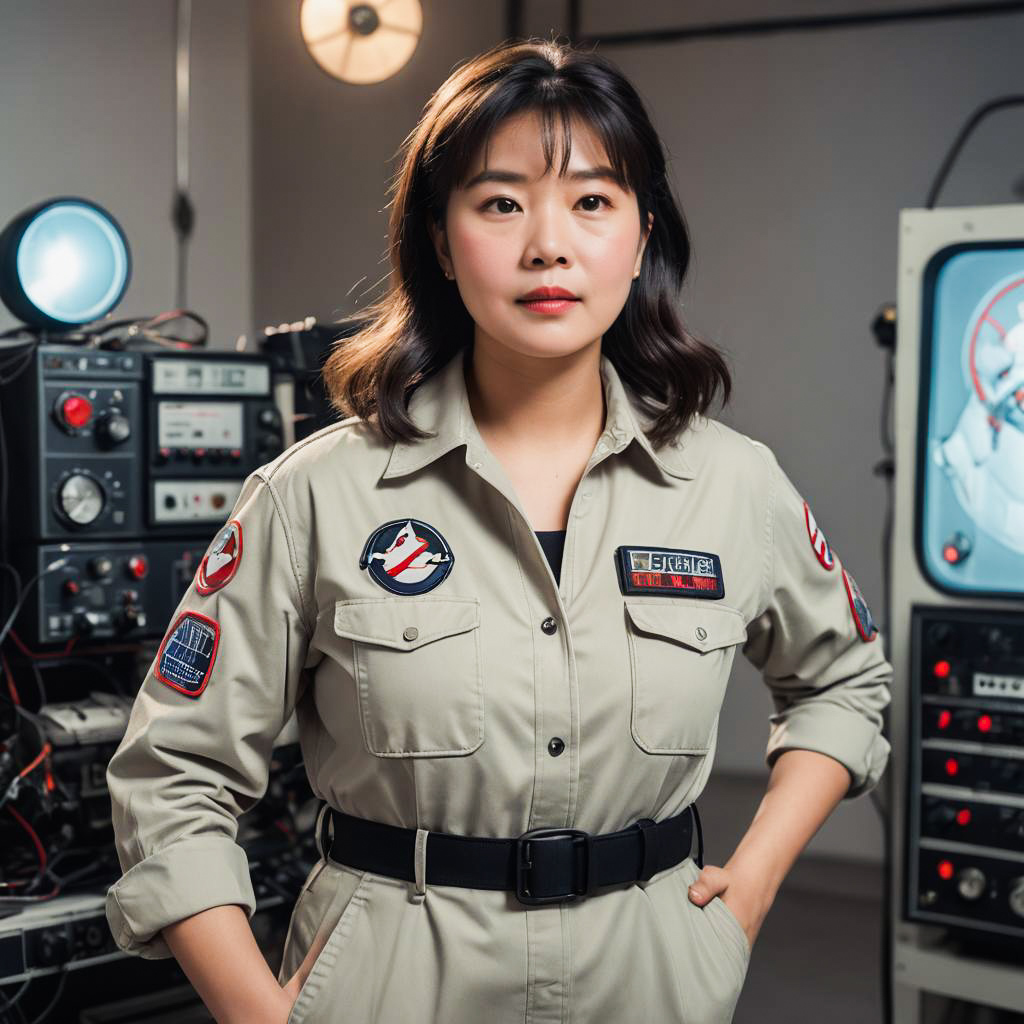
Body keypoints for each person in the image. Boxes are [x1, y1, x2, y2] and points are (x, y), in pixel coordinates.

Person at [104, 37, 893, 1024]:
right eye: (501, 201)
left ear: (641, 236)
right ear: (440, 239)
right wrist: (256, 1014)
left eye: (591, 202)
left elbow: (842, 681)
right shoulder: (317, 494)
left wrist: (757, 878)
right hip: (394, 984)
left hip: (650, 980)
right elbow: (172, 770)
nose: (547, 245)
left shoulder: (731, 485)